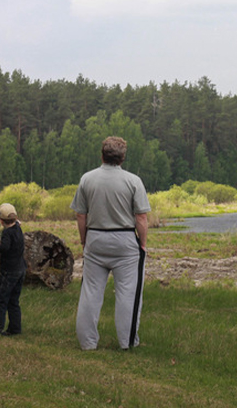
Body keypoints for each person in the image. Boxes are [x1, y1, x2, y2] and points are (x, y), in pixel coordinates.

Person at [71, 136, 150, 350]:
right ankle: (128, 342)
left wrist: (84, 240)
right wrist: (142, 244)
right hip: (125, 240)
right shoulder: (133, 181)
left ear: (102, 155)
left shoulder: (87, 179)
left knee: (91, 291)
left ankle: (87, 343)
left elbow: (81, 214)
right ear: (123, 158)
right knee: (128, 293)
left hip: (95, 238)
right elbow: (141, 218)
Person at [0, 203, 26, 336]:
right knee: (13, 301)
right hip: (21, 269)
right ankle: (15, 329)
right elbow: (16, 224)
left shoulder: (7, 233)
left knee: (1, 300)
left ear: (1, 220)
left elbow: (5, 248)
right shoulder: (17, 228)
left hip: (9, 271)